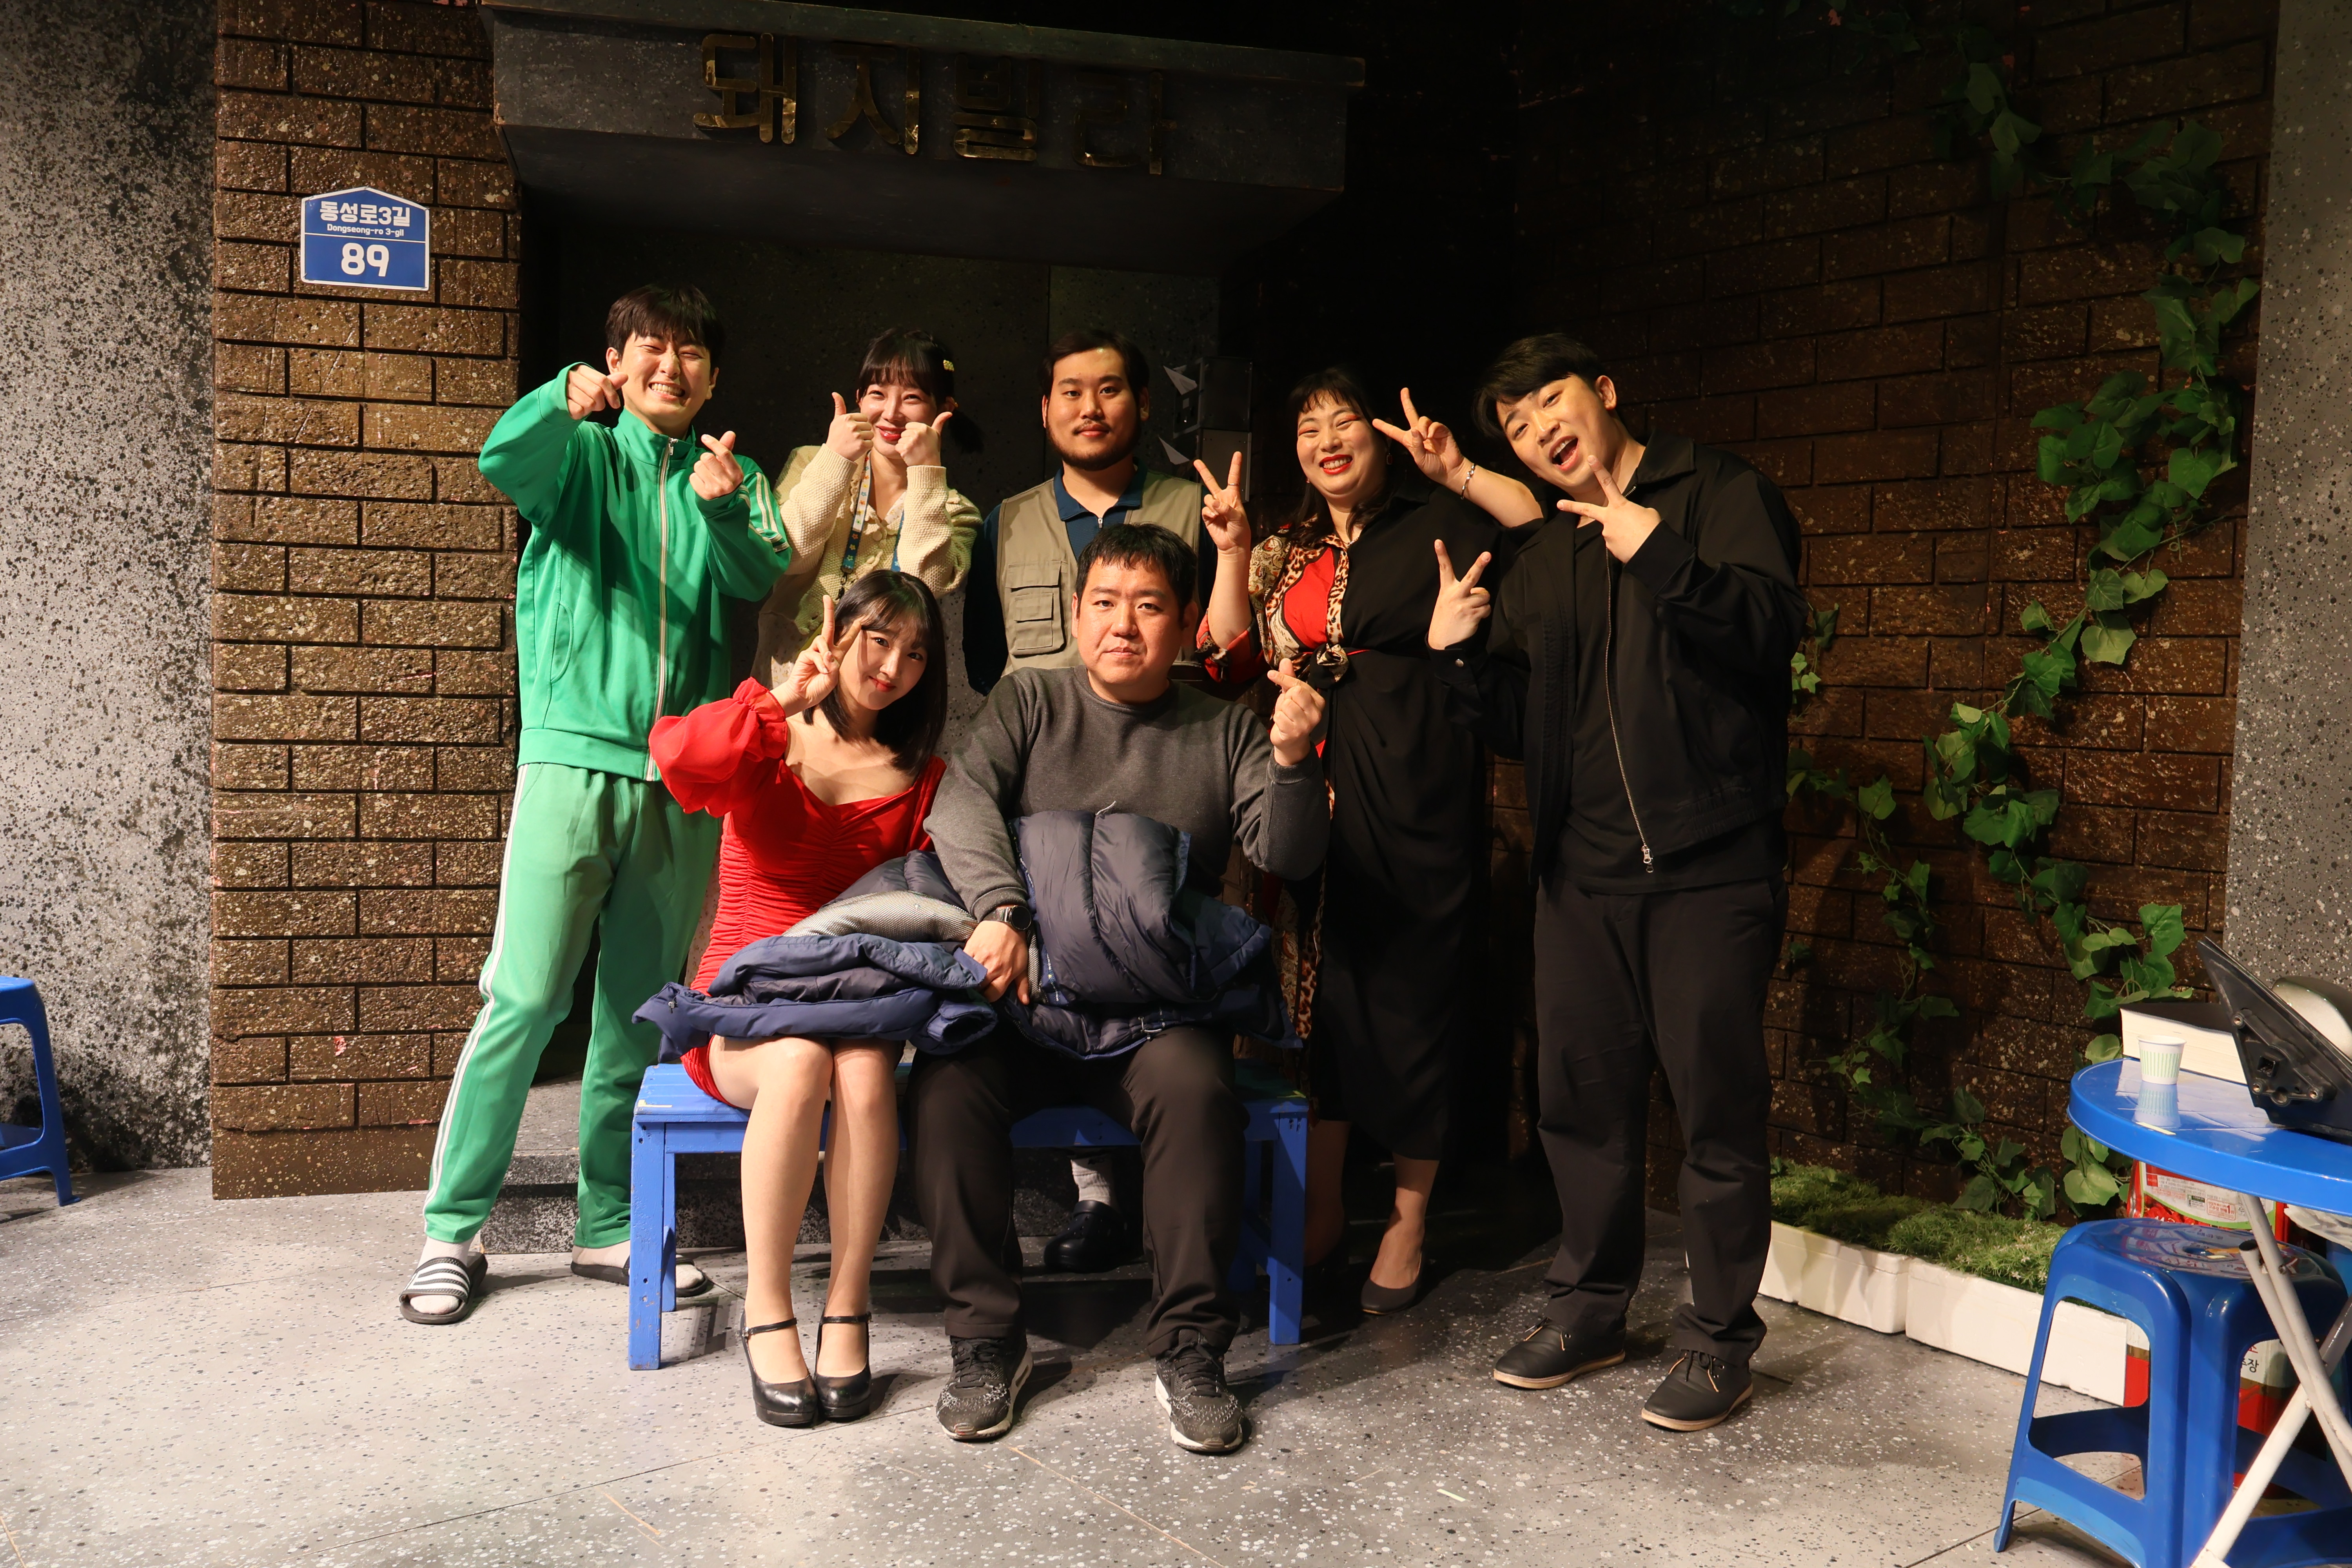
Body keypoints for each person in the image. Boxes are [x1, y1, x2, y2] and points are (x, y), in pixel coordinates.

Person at [1427, 333, 1806, 1432]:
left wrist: (1661, 553)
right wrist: (1461, 657)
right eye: (1516, 427)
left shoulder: (1719, 493)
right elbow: (1523, 722)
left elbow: (1770, 634)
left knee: (1717, 1114)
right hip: (1580, 877)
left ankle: (1719, 1340)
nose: (1538, 431)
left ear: (1603, 391)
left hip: (1709, 867)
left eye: (1549, 401)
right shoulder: (1547, 553)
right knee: (1581, 1109)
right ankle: (1590, 1309)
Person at [400, 285, 791, 1325]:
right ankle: (452, 1231)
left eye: (692, 351)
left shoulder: (732, 472)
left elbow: (758, 570)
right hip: (571, 760)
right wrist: (555, 402)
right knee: (525, 998)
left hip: (682, 777)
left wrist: (721, 505)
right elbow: (504, 460)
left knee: (633, 1013)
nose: (671, 365)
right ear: (616, 362)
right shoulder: (581, 454)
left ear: (714, 374)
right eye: (650, 347)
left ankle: (609, 1223)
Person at [916, 522, 1329, 1454]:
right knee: (944, 1085)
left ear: (1185, 624)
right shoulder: (1030, 700)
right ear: (1076, 613)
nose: (1123, 625)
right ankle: (987, 1342)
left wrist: (1294, 762)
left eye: (1148, 607)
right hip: (1031, 998)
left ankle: (1190, 1350)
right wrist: (1001, 909)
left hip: (1158, 1009)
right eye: (1104, 603)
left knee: (1197, 1092)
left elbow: (1288, 852)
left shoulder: (1224, 726)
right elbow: (961, 801)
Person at [1197, 369, 1531, 1316]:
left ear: (1381, 437)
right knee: (1320, 996)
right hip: (1304, 778)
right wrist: (1231, 550)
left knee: (1416, 990)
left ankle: (1410, 1215)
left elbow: (1534, 525)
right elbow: (1224, 660)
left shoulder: (1437, 522)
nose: (1329, 439)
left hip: (1417, 772)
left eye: (1346, 421)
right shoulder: (1283, 547)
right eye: (1310, 427)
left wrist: (1459, 472)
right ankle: (1323, 1203)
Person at [650, 571, 949, 1428]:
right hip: (743, 998)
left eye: (915, 653)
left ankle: (848, 1304)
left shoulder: (919, 774)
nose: (891, 666)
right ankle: (769, 1307)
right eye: (878, 639)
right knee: (798, 1061)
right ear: (838, 630)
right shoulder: (770, 738)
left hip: (850, 993)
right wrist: (783, 696)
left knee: (863, 1072)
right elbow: (678, 757)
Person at [961, 328, 1216, 1274]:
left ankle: (1164, 1203)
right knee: (1056, 969)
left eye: (1110, 390)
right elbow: (985, 658)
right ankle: (1098, 1197)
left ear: (1142, 404)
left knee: (1154, 976)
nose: (1090, 407)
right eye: (1070, 391)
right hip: (1048, 783)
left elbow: (1224, 640)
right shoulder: (1008, 519)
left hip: (1167, 772)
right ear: (1045, 409)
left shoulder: (1195, 508)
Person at [750, 327, 982, 685]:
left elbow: (924, 585)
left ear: (945, 408)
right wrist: (836, 459)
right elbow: (791, 557)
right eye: (878, 394)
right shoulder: (812, 462)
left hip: (879, 689)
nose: (892, 413)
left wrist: (926, 472)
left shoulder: (957, 511)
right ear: (859, 398)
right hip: (788, 678)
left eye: (912, 397)